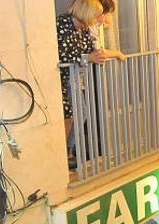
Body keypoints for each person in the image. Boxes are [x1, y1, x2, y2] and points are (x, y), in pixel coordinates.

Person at [56, 0, 124, 144]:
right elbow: (61, 56)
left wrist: (96, 55)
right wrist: (90, 57)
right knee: (71, 115)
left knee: (80, 114)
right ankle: (64, 151)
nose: (100, 19)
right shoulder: (62, 24)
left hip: (72, 79)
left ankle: (68, 150)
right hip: (60, 81)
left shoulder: (83, 29)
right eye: (98, 15)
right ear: (88, 13)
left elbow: (88, 51)